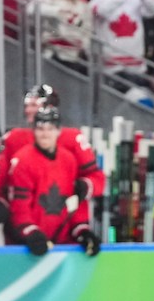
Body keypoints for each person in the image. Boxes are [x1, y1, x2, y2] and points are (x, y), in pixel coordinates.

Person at [9, 106, 102, 257]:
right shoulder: (22, 161)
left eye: (50, 129)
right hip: (29, 246)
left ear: (59, 131)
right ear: (34, 130)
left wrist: (82, 230)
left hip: (63, 246)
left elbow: (74, 204)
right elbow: (19, 207)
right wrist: (31, 232)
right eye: (40, 129)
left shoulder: (69, 160)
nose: (45, 134)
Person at [3, 84, 106, 201]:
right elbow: (0, 178)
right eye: (27, 105)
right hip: (26, 207)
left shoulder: (73, 138)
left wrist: (84, 186)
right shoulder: (14, 138)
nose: (28, 110)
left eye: (33, 105)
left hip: (66, 209)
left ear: (50, 107)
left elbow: (97, 177)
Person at [89, 0, 154, 89]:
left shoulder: (135, 0)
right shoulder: (98, 0)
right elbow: (102, 11)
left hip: (137, 67)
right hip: (111, 68)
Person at [28, 0, 91, 71]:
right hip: (52, 54)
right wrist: (57, 11)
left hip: (74, 57)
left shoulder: (82, 2)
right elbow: (31, 9)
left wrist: (85, 49)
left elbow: (87, 30)